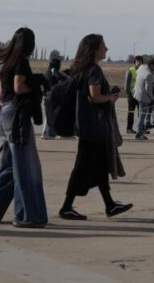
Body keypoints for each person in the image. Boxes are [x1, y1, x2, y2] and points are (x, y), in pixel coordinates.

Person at [0, 27, 48, 228]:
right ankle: (26, 215)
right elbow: (18, 87)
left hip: (5, 113)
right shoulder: (21, 61)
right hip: (16, 116)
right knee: (26, 168)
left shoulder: (8, 62)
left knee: (10, 167)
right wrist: (37, 83)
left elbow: (3, 91)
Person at [59, 34, 132, 221]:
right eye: (103, 46)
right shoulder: (94, 70)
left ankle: (110, 204)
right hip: (94, 127)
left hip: (87, 126)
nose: (106, 49)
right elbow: (95, 97)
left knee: (99, 167)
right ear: (94, 49)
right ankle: (66, 207)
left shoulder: (80, 69)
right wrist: (111, 97)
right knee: (82, 167)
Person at [133, 57, 154, 140]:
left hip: (137, 93)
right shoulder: (149, 74)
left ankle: (141, 130)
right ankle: (139, 133)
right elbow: (148, 90)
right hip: (143, 96)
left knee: (141, 115)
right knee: (142, 116)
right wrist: (153, 98)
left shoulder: (141, 67)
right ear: (151, 65)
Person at [42, 53, 65, 139]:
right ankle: (56, 132)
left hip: (46, 95)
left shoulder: (47, 72)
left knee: (48, 115)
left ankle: (46, 132)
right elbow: (59, 81)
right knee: (55, 115)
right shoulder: (54, 72)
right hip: (53, 96)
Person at [124, 56, 144, 135]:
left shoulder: (143, 71)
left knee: (141, 113)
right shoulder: (130, 71)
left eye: (140, 61)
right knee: (131, 112)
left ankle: (141, 129)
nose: (139, 62)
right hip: (132, 95)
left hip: (140, 95)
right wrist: (129, 94)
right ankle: (129, 128)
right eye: (137, 61)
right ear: (135, 62)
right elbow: (126, 84)